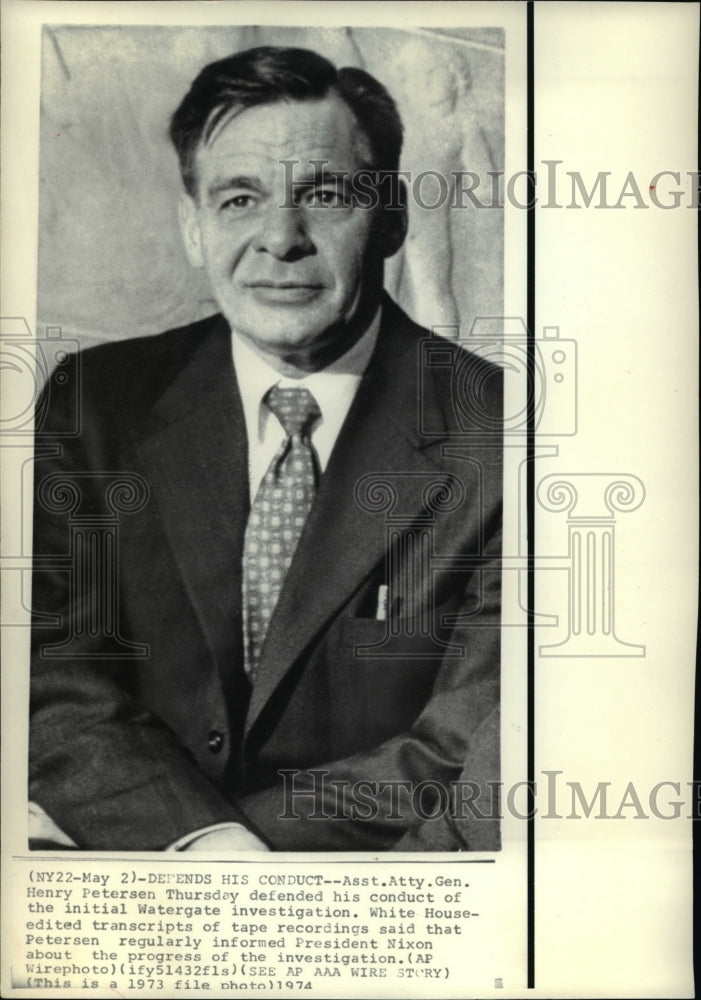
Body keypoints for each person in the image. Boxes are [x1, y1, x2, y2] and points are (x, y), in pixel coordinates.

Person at [29, 46, 502, 852]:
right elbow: (47, 672)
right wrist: (192, 837)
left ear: (390, 217)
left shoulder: (505, 434)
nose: (279, 238)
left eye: (322, 194)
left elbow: (463, 746)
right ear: (192, 227)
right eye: (239, 198)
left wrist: (228, 855)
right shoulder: (94, 403)